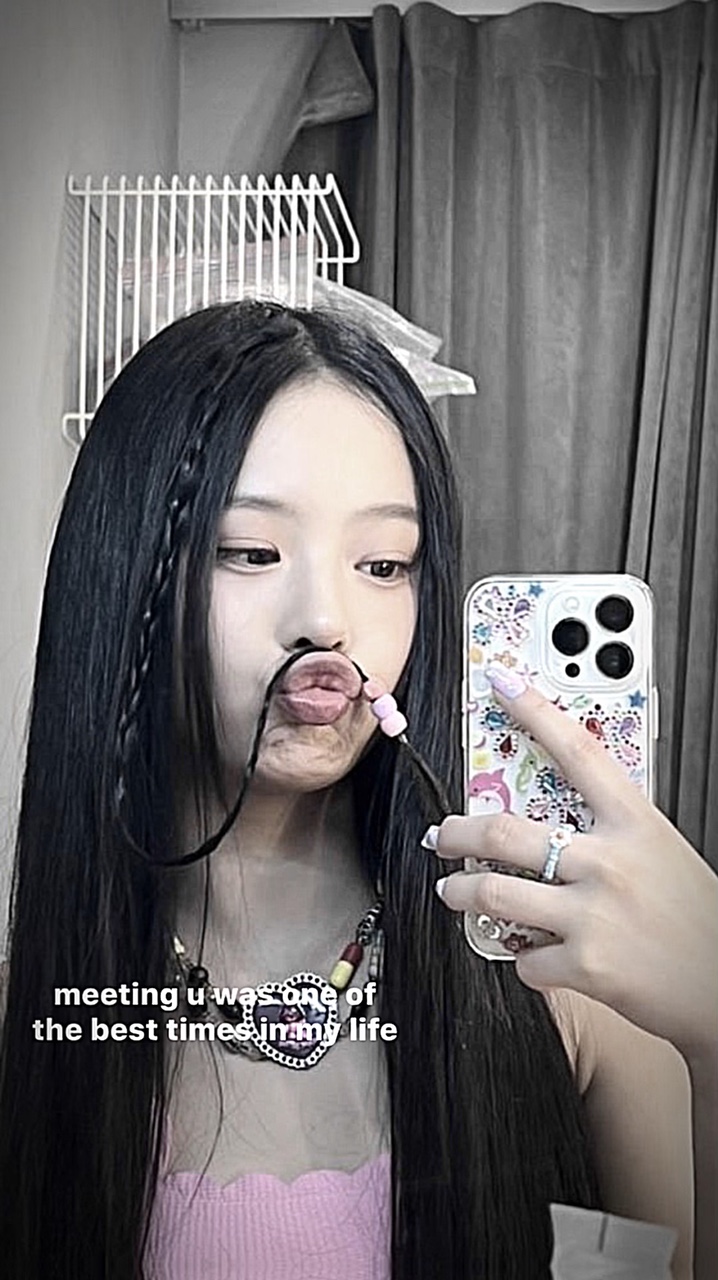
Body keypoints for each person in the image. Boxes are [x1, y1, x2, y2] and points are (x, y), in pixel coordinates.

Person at [0, 300, 714, 1280]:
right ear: (124, 577)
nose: (327, 619)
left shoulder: (561, 979)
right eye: (251, 551)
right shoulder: (38, 1027)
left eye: (384, 564)